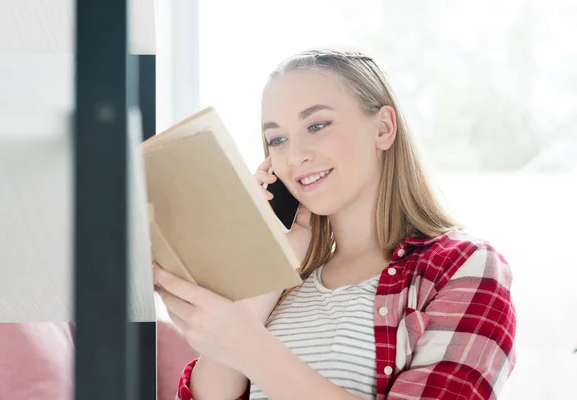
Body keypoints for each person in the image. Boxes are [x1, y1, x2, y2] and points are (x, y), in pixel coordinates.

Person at [153, 47, 517, 400]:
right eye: (277, 140)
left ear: (384, 128)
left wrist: (250, 346)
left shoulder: (465, 268)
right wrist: (271, 262)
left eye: (317, 125)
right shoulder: (287, 283)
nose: (295, 156)